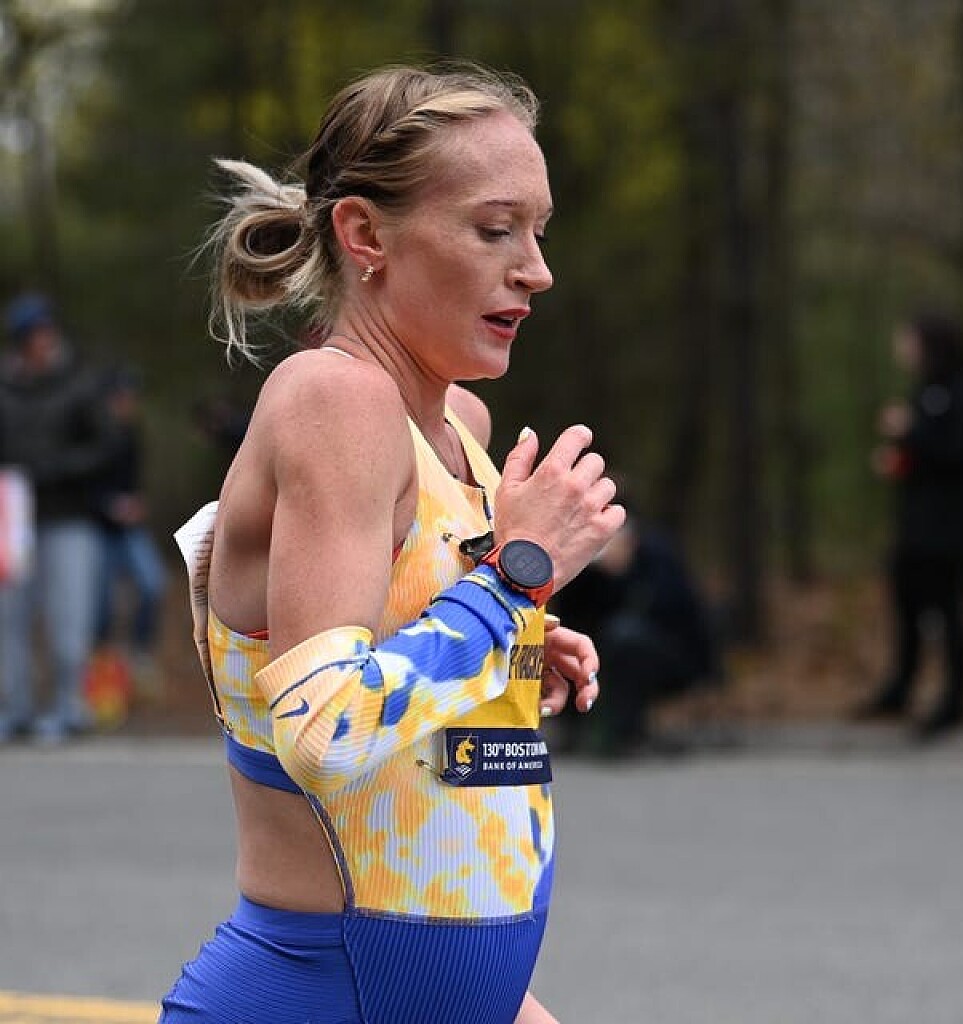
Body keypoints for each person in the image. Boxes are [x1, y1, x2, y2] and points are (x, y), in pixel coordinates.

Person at [161, 65, 624, 1024]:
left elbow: (406, 672)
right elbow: (325, 730)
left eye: (539, 231)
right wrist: (515, 580)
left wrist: (512, 647)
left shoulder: (459, 427)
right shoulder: (335, 400)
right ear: (365, 235)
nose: (536, 269)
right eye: (495, 230)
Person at [858, 311, 963, 740]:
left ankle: (955, 699)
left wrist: (910, 430)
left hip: (950, 526)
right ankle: (901, 685)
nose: (902, 349)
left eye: (908, 341)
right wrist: (898, 459)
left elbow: (954, 451)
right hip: (918, 523)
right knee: (906, 599)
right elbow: (924, 456)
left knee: (948, 610)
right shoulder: (926, 388)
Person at [0, 293, 117, 743]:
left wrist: (60, 468)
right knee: (10, 617)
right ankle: (15, 708)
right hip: (14, 521)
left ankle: (69, 707)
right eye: (35, 334)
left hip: (68, 516)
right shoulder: (6, 389)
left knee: (69, 615)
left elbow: (106, 446)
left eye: (47, 332)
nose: (44, 341)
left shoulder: (79, 385)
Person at [554, 516, 725, 756]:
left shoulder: (656, 556)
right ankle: (576, 728)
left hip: (671, 654)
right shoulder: (586, 566)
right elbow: (571, 614)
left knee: (625, 638)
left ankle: (625, 733)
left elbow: (676, 613)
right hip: (603, 650)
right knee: (568, 642)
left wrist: (625, 572)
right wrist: (589, 574)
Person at [93, 366, 167, 699]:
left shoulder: (133, 434)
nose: (127, 404)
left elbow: (134, 482)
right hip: (98, 530)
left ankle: (141, 654)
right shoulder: (93, 436)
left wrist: (136, 505)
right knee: (102, 600)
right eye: (122, 398)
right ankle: (101, 660)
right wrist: (108, 506)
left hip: (129, 529)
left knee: (153, 583)